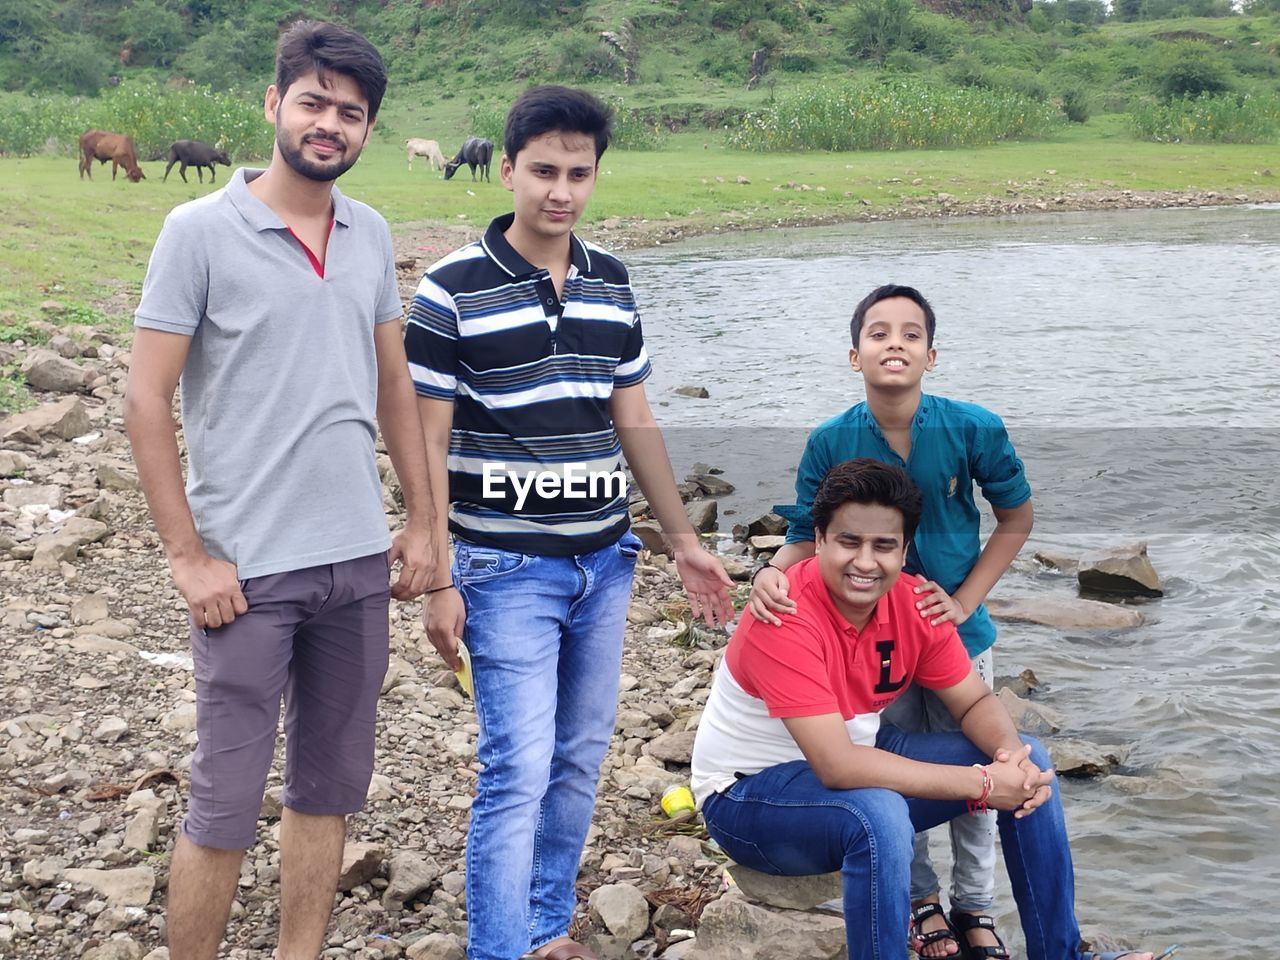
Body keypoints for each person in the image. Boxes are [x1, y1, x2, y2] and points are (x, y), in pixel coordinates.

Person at [124, 21, 436, 960]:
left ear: (368, 127)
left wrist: (425, 524)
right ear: (274, 105)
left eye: (350, 112)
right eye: (314, 102)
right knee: (223, 802)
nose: (329, 123)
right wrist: (189, 556)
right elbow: (146, 395)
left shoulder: (370, 232)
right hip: (246, 572)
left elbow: (395, 387)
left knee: (329, 788)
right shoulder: (199, 231)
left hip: (354, 564)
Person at [404, 85, 734, 960]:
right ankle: (499, 949)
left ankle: (545, 927)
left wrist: (687, 544)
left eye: (578, 173)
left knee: (580, 758)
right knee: (515, 770)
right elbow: (425, 443)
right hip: (503, 567)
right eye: (543, 170)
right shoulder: (450, 290)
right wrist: (435, 572)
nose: (561, 190)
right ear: (506, 169)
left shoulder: (610, 280)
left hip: (605, 560)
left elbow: (634, 418)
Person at [692, 459, 1154, 960]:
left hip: (857, 755)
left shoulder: (913, 604)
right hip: (748, 798)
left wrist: (1009, 761)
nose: (865, 562)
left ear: (904, 550)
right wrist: (982, 786)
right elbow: (838, 765)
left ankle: (1060, 953)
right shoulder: (784, 615)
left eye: (884, 546)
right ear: (819, 539)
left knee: (1033, 761)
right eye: (849, 541)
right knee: (880, 813)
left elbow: (974, 699)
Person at [749, 283, 1034, 958]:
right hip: (872, 644)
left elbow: (1016, 517)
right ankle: (922, 903)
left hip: (956, 638)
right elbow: (805, 534)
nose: (895, 344)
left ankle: (977, 907)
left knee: (982, 766)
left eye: (911, 334)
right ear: (855, 356)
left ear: (932, 355)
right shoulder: (831, 440)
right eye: (879, 334)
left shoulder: (974, 428)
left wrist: (965, 601)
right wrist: (767, 573)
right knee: (892, 773)